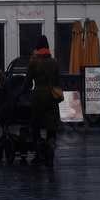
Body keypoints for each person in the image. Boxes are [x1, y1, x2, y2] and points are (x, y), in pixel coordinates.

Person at [23, 35, 60, 166]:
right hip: (51, 96)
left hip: (38, 96)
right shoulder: (55, 62)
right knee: (51, 127)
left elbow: (27, 82)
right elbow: (56, 80)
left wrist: (22, 91)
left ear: (37, 47)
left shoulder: (33, 62)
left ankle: (38, 154)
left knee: (35, 125)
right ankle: (50, 156)